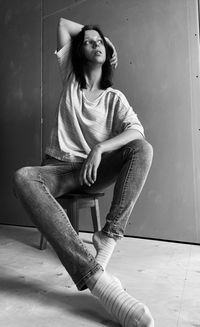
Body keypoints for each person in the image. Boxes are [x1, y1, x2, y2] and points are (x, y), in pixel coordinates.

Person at [13, 18, 154, 327]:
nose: (96, 44)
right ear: (78, 52)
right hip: (59, 168)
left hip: (94, 171)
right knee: (23, 177)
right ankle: (99, 282)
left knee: (143, 148)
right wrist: (108, 41)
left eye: (100, 42)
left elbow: (137, 131)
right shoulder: (70, 78)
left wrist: (100, 149)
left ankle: (108, 237)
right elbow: (65, 24)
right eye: (89, 42)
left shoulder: (115, 98)